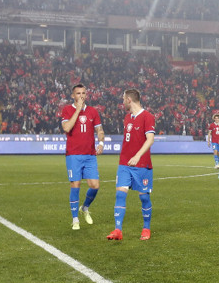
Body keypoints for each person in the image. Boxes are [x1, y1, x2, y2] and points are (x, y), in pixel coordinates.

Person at [106, 89, 156, 241]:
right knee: (120, 193)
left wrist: (137, 155)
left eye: (123, 98)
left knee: (144, 198)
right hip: (124, 163)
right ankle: (118, 230)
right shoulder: (127, 118)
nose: (122, 102)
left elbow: (150, 139)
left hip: (142, 164)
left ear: (129, 99)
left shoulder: (148, 117)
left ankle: (146, 228)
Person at [60, 84, 105, 230]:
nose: (81, 95)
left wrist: (101, 143)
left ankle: (84, 207)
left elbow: (99, 130)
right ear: (73, 96)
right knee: (75, 185)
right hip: (73, 154)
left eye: (84, 93)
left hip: (90, 155)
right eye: (78, 93)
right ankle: (75, 219)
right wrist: (78, 109)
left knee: (95, 186)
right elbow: (66, 128)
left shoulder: (93, 111)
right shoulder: (67, 109)